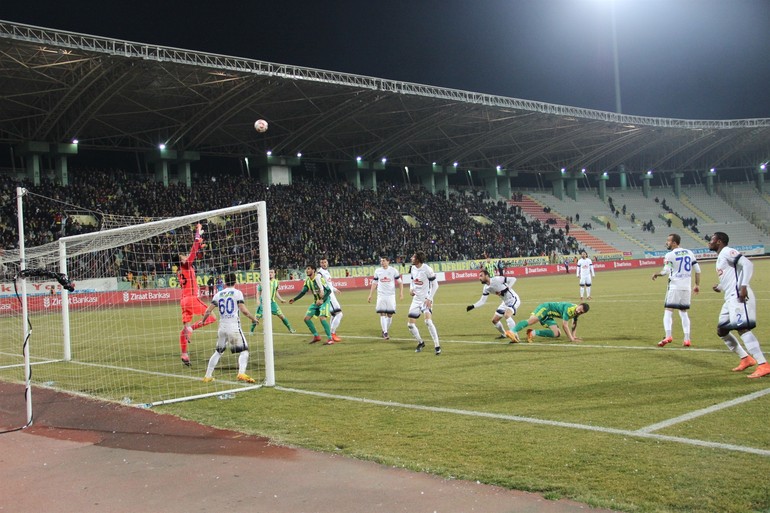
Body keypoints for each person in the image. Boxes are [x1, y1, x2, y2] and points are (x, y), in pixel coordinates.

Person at [707, 232, 770, 378]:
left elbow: (747, 264)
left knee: (742, 328)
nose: (709, 242)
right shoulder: (721, 256)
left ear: (719, 241)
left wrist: (744, 286)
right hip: (729, 298)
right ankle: (746, 358)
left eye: (712, 239)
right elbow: (732, 275)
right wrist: (721, 287)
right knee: (722, 330)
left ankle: (763, 364)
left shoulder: (727, 251)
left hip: (738, 297)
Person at [199, 272, 260, 384]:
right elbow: (243, 310)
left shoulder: (218, 294)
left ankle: (208, 376)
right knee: (244, 351)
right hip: (233, 327)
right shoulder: (237, 293)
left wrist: (203, 321)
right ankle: (241, 373)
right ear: (235, 281)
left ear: (225, 282)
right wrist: (253, 318)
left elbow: (208, 310)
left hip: (222, 327)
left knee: (218, 352)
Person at [652, 233, 701, 347]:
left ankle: (668, 335)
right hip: (686, 288)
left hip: (674, 287)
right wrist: (697, 285)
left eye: (668, 241)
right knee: (683, 312)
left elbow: (665, 271)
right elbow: (697, 270)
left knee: (668, 311)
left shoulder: (670, 255)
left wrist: (656, 274)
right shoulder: (690, 253)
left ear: (674, 242)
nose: (666, 243)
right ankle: (687, 339)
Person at [178, 223, 216, 366]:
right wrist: (197, 235)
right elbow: (193, 253)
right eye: (184, 256)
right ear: (182, 261)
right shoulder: (185, 266)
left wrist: (200, 245)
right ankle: (191, 329)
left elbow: (195, 253)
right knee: (211, 317)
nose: (186, 256)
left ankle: (184, 354)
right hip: (191, 298)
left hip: (183, 300)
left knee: (184, 328)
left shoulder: (182, 270)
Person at [466, 269, 520, 343]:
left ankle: (516, 336)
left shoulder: (497, 279)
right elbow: (482, 301)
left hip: (513, 299)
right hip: (505, 302)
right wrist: (473, 306)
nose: (479, 278)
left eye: (481, 276)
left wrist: (506, 289)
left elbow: (513, 279)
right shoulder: (486, 288)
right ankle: (504, 334)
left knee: (507, 315)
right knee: (494, 320)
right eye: (479, 276)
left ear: (487, 275)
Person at [288, 264, 334, 345]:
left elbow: (329, 291)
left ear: (313, 270)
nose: (306, 270)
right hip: (316, 302)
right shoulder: (308, 281)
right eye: (306, 269)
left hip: (325, 301)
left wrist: (322, 300)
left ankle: (330, 339)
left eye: (308, 269)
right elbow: (303, 292)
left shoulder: (319, 279)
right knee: (306, 318)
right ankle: (316, 336)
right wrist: (294, 299)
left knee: (322, 318)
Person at [407, 251, 441, 355]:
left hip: (426, 299)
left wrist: (429, 298)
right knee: (410, 325)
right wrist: (411, 288)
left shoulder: (427, 269)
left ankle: (437, 346)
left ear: (418, 259)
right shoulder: (412, 268)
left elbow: (436, 285)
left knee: (428, 322)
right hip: (416, 299)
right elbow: (412, 280)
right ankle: (421, 342)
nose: (411, 258)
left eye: (413, 257)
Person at [512, 302, 589, 343]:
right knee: (532, 320)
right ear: (579, 305)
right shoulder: (569, 309)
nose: (578, 311)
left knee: (557, 333)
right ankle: (512, 331)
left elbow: (574, 323)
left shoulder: (577, 312)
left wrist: (574, 336)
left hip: (549, 315)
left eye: (581, 312)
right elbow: (565, 326)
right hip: (546, 308)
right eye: (579, 309)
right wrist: (571, 339)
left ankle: (532, 333)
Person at [367, 256, 404, 339]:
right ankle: (385, 332)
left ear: (388, 261)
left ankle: (385, 329)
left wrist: (401, 293)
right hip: (381, 295)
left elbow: (400, 282)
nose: (382, 262)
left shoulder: (393, 270)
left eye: (383, 261)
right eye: (381, 261)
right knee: (382, 313)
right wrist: (370, 294)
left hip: (391, 295)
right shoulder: (378, 271)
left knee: (390, 314)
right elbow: (374, 283)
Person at [252, 268, 296, 334]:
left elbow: (276, 292)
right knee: (257, 317)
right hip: (263, 302)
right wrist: (258, 300)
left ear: (274, 274)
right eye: (269, 272)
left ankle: (290, 329)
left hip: (272, 302)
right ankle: (251, 331)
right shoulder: (263, 282)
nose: (270, 273)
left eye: (272, 272)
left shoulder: (276, 282)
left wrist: (281, 299)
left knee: (281, 315)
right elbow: (258, 292)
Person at [318, 258, 343, 342]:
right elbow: (317, 278)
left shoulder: (326, 272)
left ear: (327, 262)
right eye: (322, 262)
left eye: (325, 262)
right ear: (320, 264)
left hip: (331, 294)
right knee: (339, 314)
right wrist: (321, 289)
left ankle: (331, 333)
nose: (324, 264)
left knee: (334, 314)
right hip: (329, 296)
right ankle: (332, 333)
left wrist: (335, 289)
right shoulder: (320, 272)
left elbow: (329, 284)